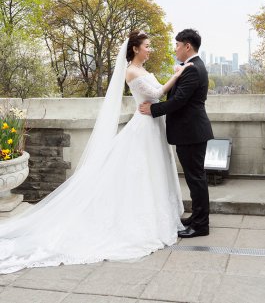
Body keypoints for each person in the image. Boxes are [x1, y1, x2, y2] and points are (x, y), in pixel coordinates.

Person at [0, 30, 188, 274]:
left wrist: (173, 77)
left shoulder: (143, 70)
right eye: (147, 46)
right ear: (135, 49)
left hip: (153, 125)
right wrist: (178, 75)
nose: (150, 49)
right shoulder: (131, 70)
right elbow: (155, 94)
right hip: (143, 127)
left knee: (153, 171)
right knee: (141, 172)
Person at [140, 29, 214, 238]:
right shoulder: (192, 67)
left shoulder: (193, 68)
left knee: (196, 178)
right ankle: (197, 218)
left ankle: (201, 225)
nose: (175, 49)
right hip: (191, 132)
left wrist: (153, 110)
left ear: (187, 46)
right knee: (195, 177)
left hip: (191, 132)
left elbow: (179, 100)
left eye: (177, 45)